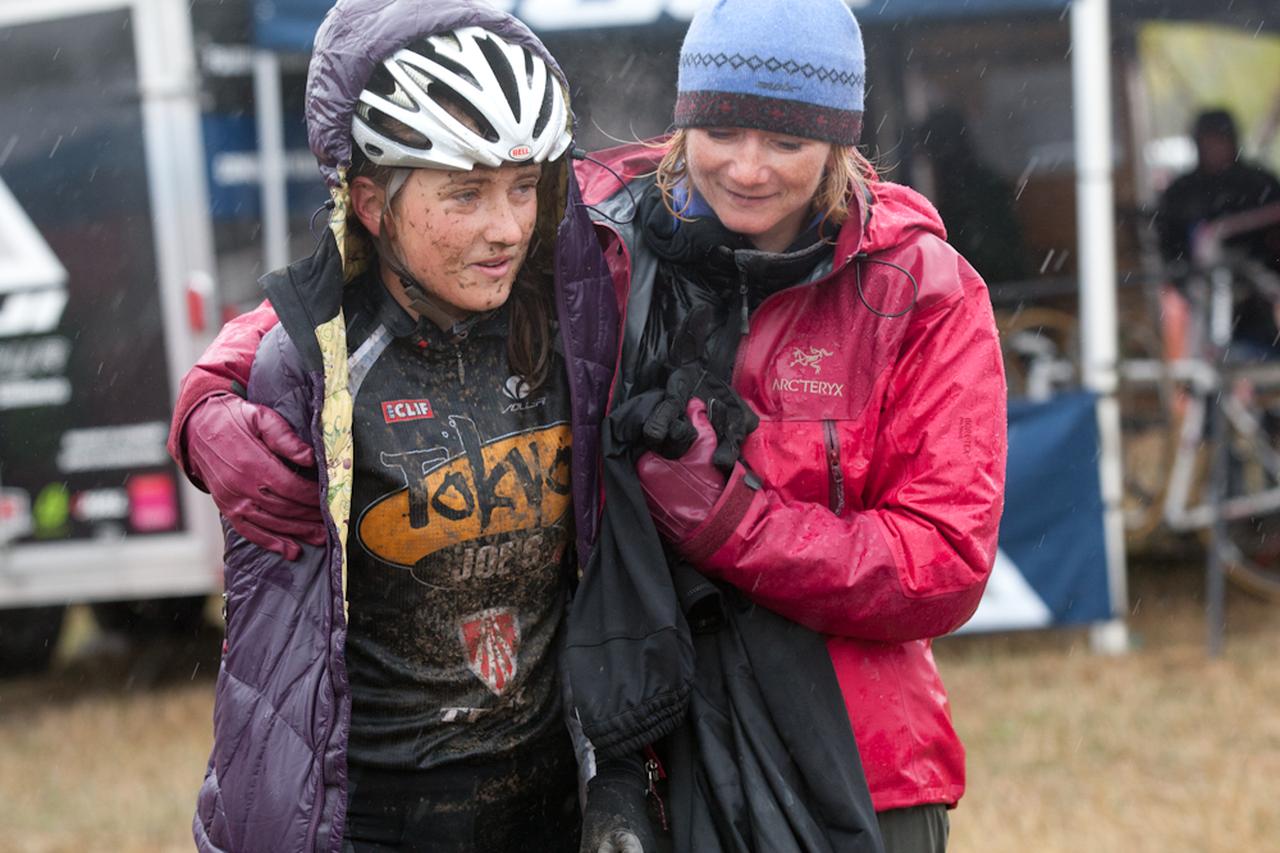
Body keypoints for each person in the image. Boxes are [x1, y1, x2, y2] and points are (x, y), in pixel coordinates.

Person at [173, 0, 1007, 850]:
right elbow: (358, 287)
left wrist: (732, 523)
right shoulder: (606, 224)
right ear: (685, 121)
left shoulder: (919, 289)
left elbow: (945, 564)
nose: (749, 168)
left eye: (787, 142)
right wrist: (208, 398)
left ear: (841, 142)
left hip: (859, 766)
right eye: (721, 131)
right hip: (660, 749)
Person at [175, 1, 622, 850]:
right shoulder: (310, 366)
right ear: (374, 204)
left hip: (550, 800)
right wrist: (203, 404)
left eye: (523, 188)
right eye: (465, 193)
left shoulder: (576, 323)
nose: (506, 229)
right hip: (373, 815)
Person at [1156, 108, 1280, 357]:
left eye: (1220, 140)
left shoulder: (1259, 184)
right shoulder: (1181, 193)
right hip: (1200, 294)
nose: (1214, 148)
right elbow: (1168, 246)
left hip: (1259, 296)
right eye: (1207, 141)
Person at [916, 107, 1031, 284]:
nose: (932, 163)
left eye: (933, 153)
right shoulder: (967, 184)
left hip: (998, 292)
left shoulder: (975, 189)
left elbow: (992, 253)